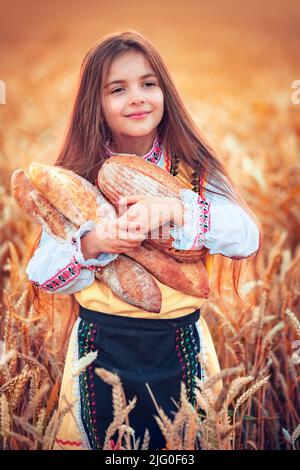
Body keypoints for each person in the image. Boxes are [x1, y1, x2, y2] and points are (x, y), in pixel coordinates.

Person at [26, 30, 262, 450]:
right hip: (99, 350)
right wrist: (94, 243)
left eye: (148, 84)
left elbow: (247, 236)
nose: (137, 97)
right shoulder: (76, 176)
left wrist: (178, 210)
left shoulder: (194, 170)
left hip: (181, 344)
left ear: (165, 92)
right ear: (94, 105)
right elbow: (42, 273)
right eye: (118, 89)